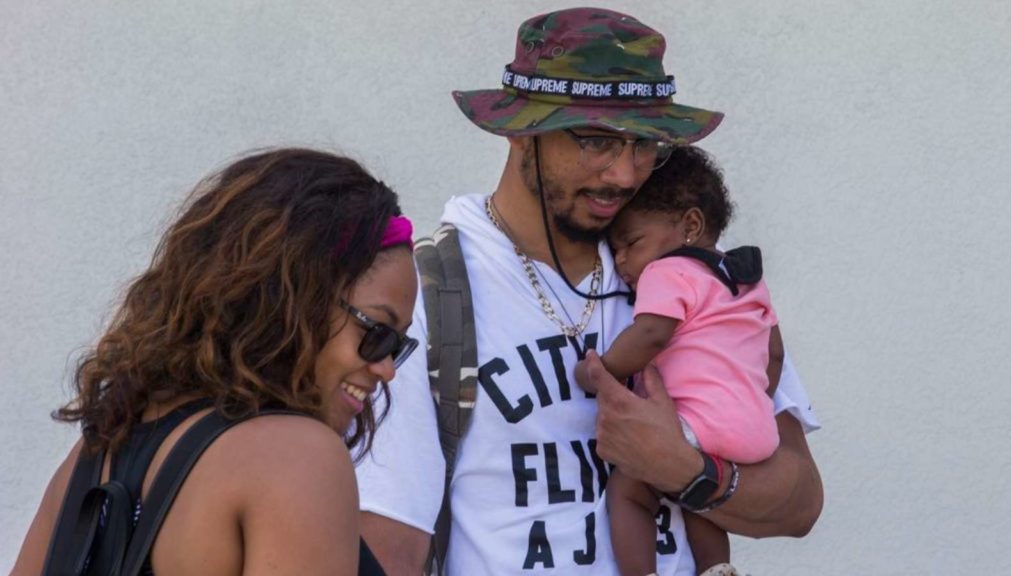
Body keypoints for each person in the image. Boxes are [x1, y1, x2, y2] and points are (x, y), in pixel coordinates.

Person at [356, 7, 823, 576]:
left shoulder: (693, 275)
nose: (625, 175)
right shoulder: (431, 294)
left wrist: (687, 470)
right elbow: (390, 542)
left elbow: (800, 503)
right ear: (521, 131)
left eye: (644, 145)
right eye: (598, 141)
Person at [12, 148, 418, 575]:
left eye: (398, 346)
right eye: (376, 333)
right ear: (295, 299)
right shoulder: (296, 459)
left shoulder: (95, 453)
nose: (387, 368)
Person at [574, 147, 783, 576]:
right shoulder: (743, 279)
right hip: (756, 431)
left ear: (690, 225)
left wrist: (600, 370)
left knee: (629, 492)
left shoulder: (668, 272)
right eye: (615, 251)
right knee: (697, 499)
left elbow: (651, 333)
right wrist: (750, 400)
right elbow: (773, 353)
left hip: (701, 424)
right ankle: (717, 568)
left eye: (631, 243)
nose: (623, 261)